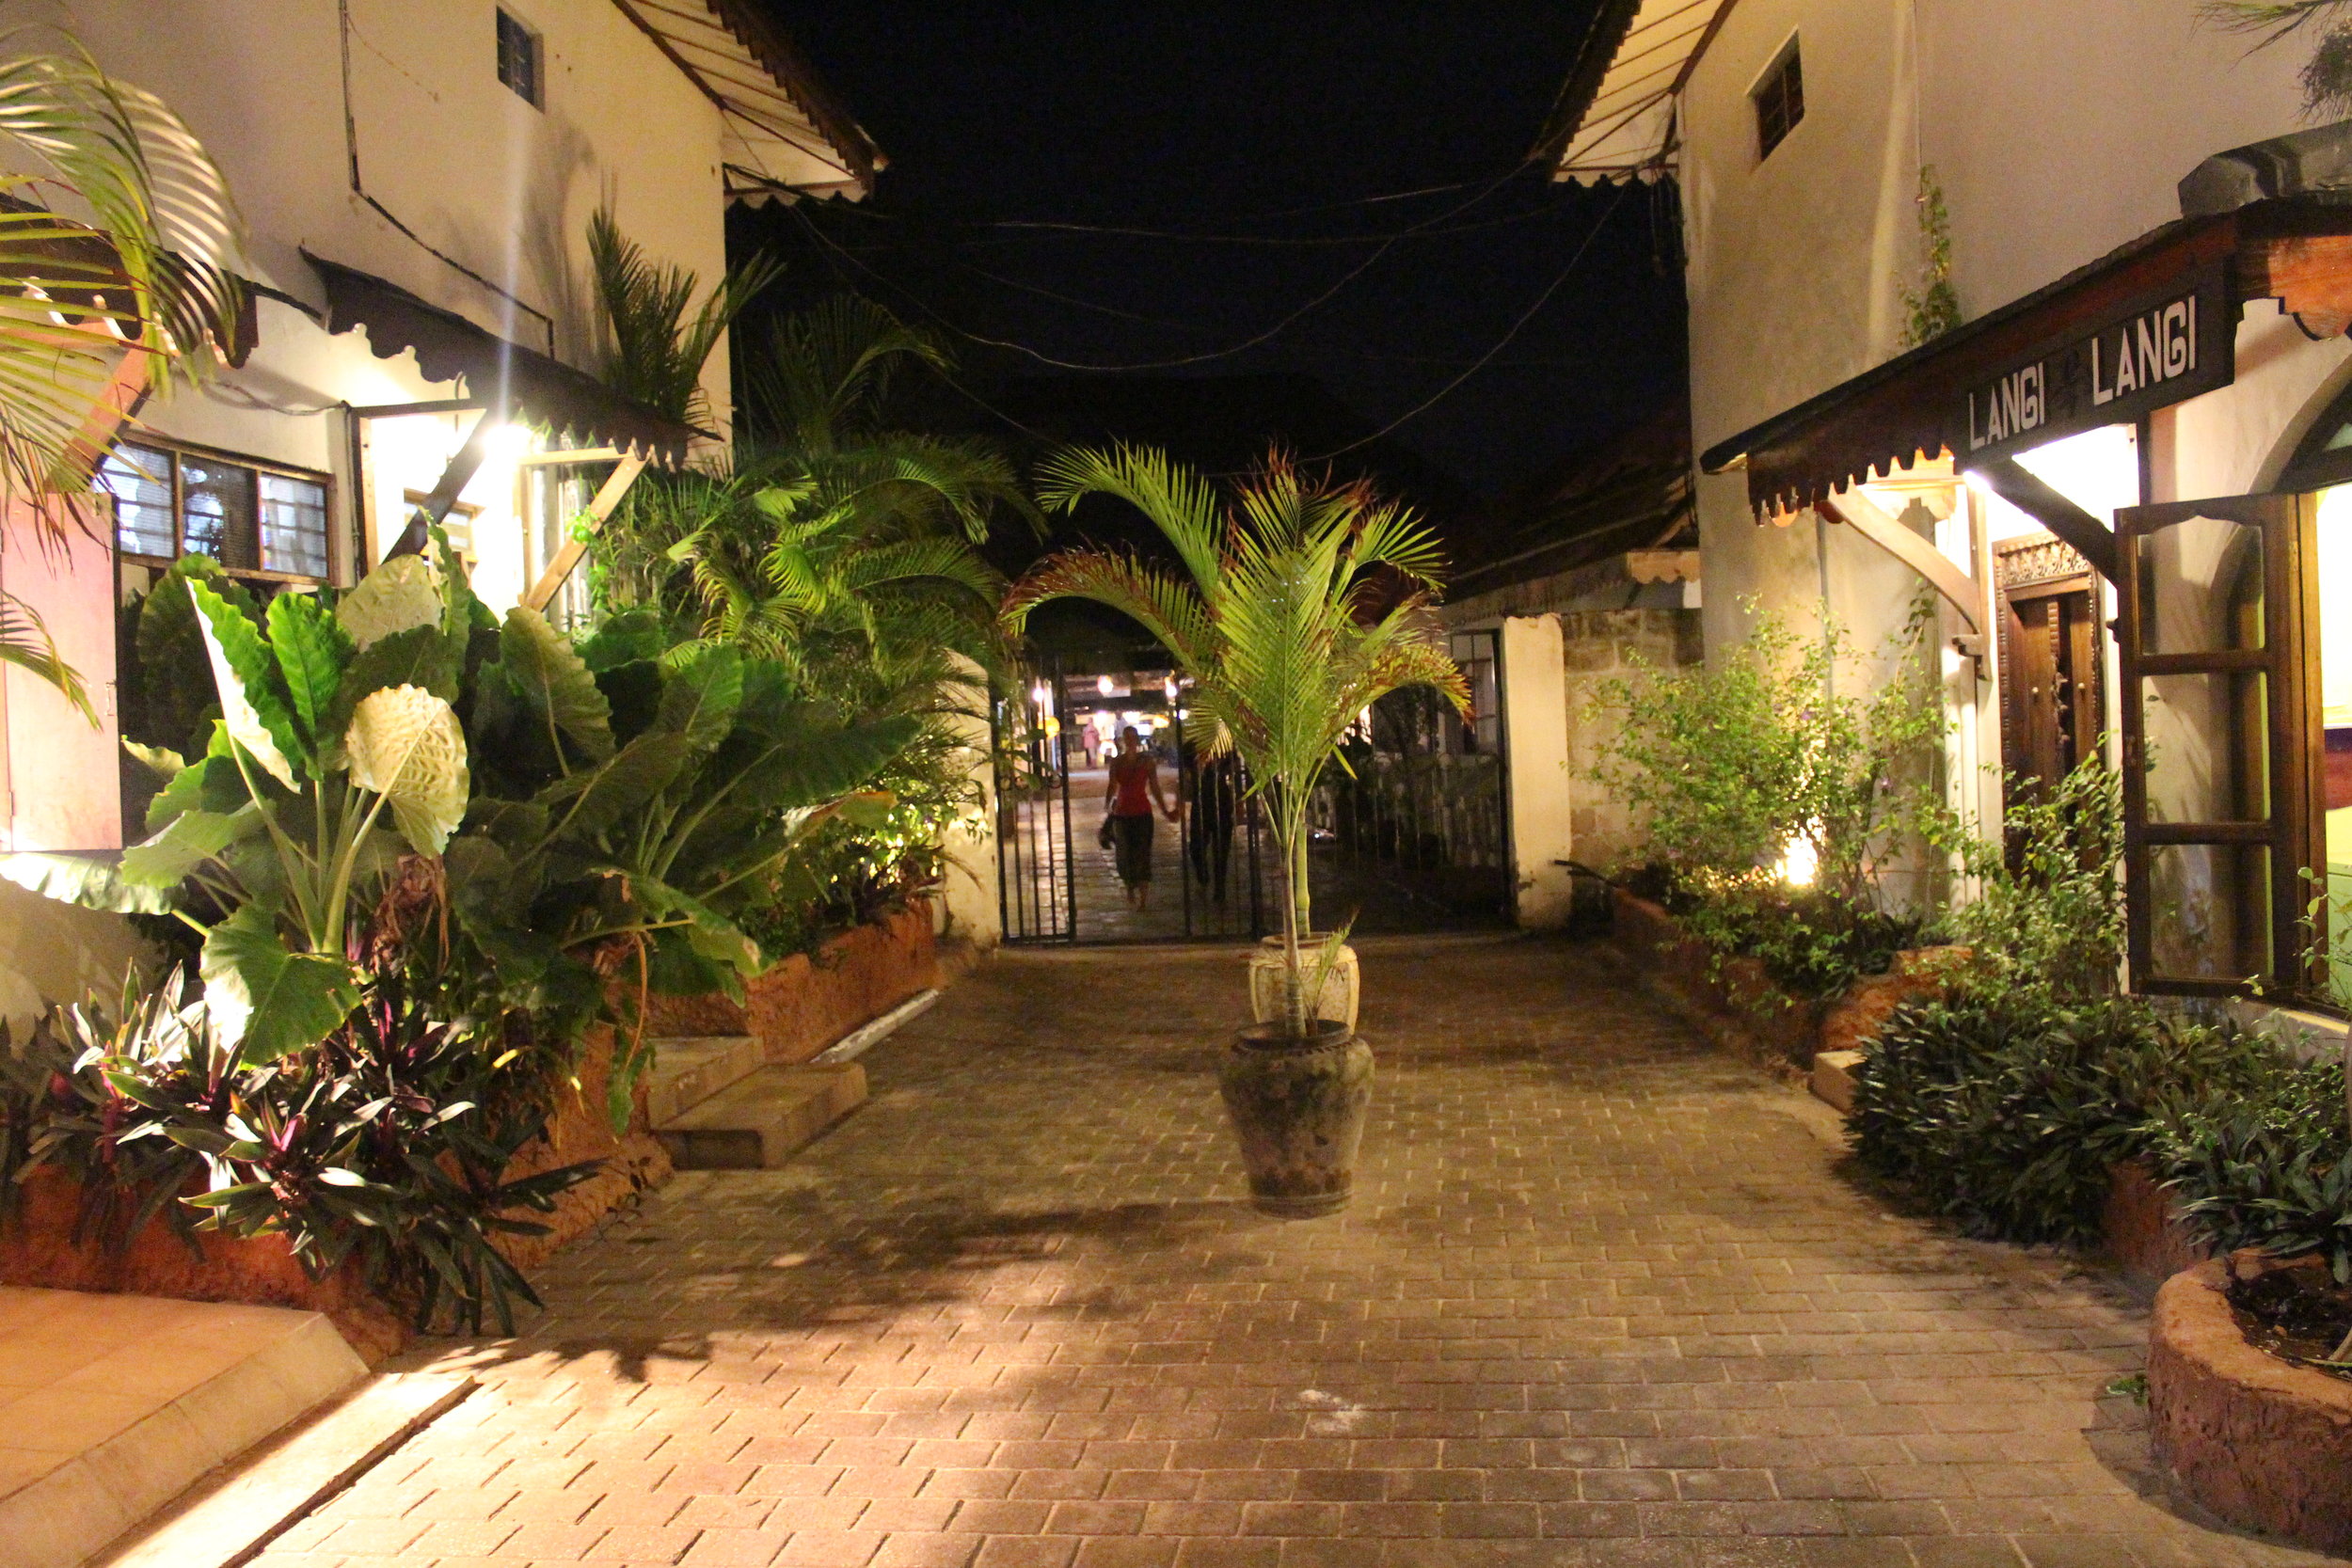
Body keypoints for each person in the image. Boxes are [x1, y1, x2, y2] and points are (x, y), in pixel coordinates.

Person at [1104, 725, 1177, 909]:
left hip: (1142, 812)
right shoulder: (1117, 762)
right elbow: (1112, 786)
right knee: (1124, 856)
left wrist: (1164, 809)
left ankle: (1143, 898)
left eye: (1132, 737)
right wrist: (1108, 807)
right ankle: (1130, 886)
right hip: (1122, 813)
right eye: (1126, 737)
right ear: (1123, 740)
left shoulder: (1146, 761)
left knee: (1142, 854)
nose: (1129, 740)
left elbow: (1154, 787)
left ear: (1136, 740)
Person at [1188, 748, 1242, 902]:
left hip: (1223, 802)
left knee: (1221, 850)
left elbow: (1236, 772)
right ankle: (1203, 876)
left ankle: (1220, 889)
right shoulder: (1194, 748)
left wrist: (1239, 799)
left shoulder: (1226, 750)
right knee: (1196, 847)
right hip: (1201, 802)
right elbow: (1188, 771)